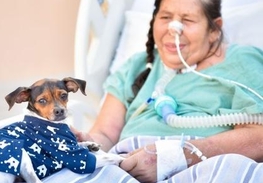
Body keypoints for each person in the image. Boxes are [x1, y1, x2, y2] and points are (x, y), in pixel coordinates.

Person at [46, 0, 263, 182]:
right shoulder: (137, 67)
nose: (173, 29)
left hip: (204, 166)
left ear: (214, 30)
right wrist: (85, 140)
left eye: (187, 20)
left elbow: (259, 138)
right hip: (128, 166)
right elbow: (105, 134)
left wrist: (179, 155)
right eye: (165, 17)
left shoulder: (240, 61)